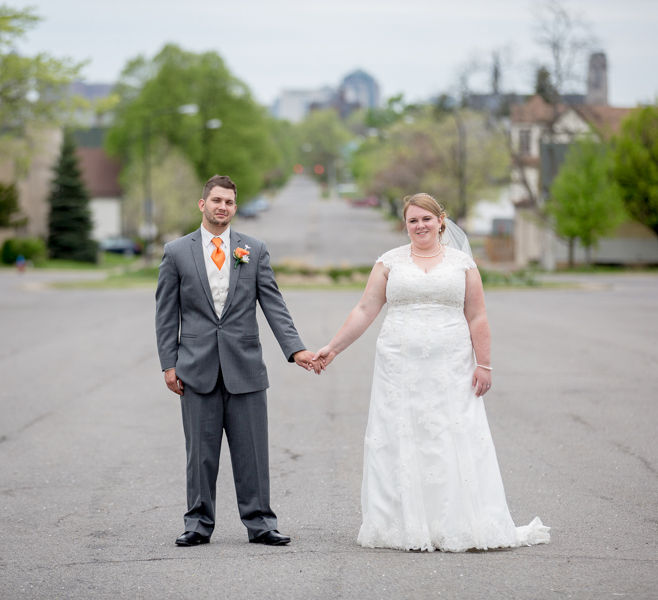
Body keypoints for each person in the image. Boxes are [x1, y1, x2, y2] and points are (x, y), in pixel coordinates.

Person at [312, 193, 550, 552]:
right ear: (405, 225)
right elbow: (364, 309)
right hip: (398, 366)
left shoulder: (463, 264)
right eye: (413, 220)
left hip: (451, 366)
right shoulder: (389, 263)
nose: (420, 225)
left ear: (441, 220)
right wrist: (333, 348)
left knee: (449, 435)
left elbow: (477, 316)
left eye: (426, 218)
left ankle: (454, 521)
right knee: (401, 437)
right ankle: (402, 523)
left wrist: (484, 364)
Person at [155, 175, 316, 547]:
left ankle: (260, 523)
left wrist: (296, 349)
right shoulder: (176, 252)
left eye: (228, 202)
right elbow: (166, 313)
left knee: (253, 452)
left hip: (245, 367)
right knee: (200, 455)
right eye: (216, 200)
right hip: (196, 368)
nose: (222, 207)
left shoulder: (253, 250)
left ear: (234, 207)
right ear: (203, 204)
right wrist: (169, 363)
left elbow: (274, 304)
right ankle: (198, 523)